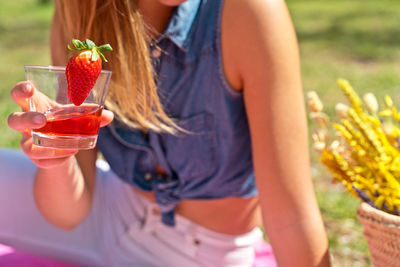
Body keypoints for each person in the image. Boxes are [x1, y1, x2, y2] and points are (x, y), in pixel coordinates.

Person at [2, 0, 331, 266]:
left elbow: (291, 219)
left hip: (200, 253)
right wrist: (57, 156)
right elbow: (69, 213)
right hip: (112, 210)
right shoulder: (84, 12)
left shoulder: (247, 12)